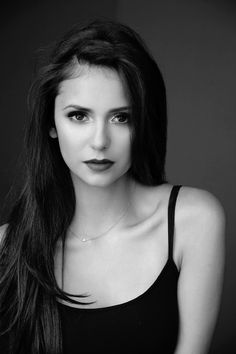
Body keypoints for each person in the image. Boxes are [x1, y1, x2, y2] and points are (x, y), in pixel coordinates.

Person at [0, 19, 225, 354]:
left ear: (143, 122)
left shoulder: (193, 220)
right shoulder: (9, 246)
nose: (100, 141)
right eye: (79, 116)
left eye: (121, 117)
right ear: (51, 124)